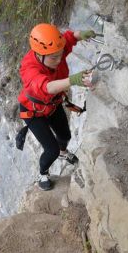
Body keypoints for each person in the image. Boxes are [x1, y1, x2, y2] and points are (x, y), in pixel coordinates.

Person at [18, 23, 96, 191]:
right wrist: (74, 80)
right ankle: (43, 173)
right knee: (51, 150)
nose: (59, 60)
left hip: (52, 105)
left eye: (60, 55)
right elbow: (46, 87)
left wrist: (80, 34)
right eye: (54, 58)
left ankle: (63, 152)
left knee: (65, 136)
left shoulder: (53, 52)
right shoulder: (30, 69)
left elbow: (67, 39)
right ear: (39, 54)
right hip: (33, 112)